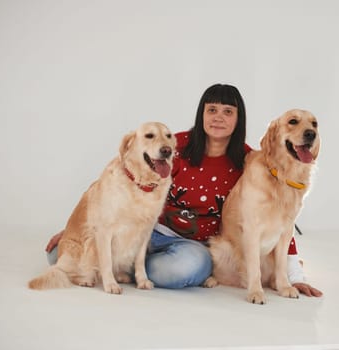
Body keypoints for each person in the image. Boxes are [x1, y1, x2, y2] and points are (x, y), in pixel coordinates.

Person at [45, 83, 322, 297]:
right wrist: (79, 227)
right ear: (201, 113)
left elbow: (281, 217)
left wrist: (295, 274)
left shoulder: (249, 162)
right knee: (60, 255)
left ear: (239, 119)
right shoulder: (172, 146)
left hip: (189, 247)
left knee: (189, 268)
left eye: (228, 112)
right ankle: (111, 258)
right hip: (142, 228)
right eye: (211, 110)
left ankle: (123, 264)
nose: (218, 117)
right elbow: (118, 176)